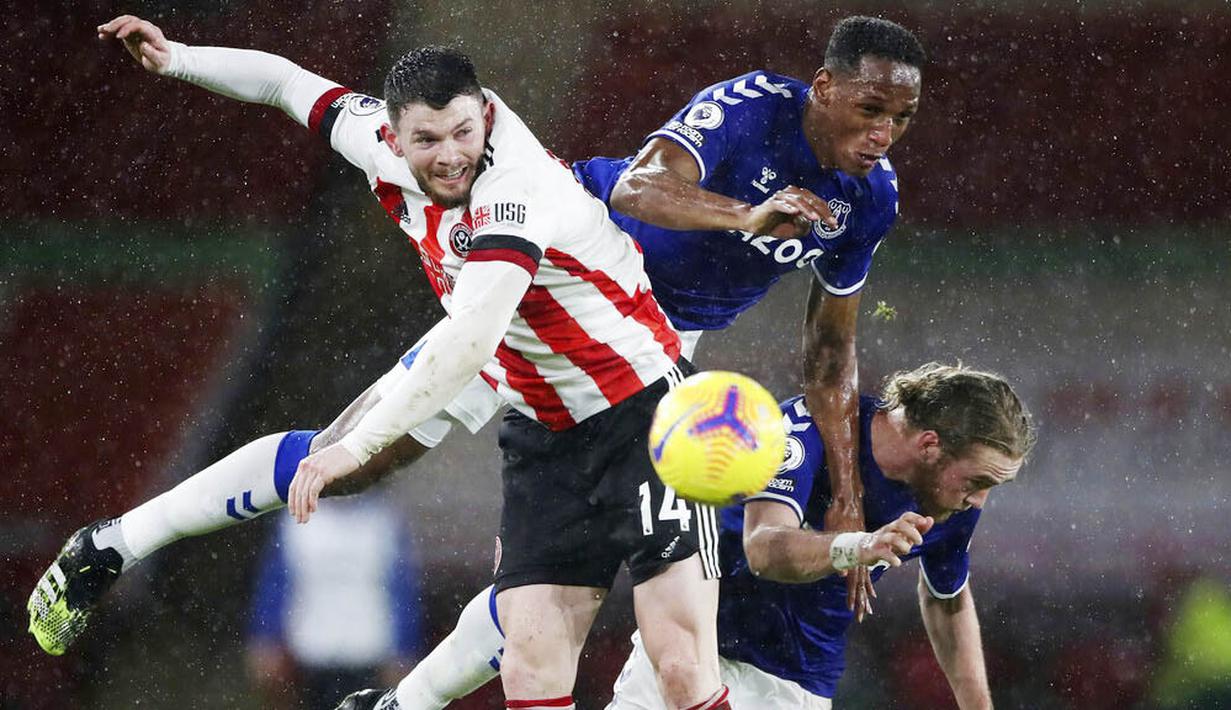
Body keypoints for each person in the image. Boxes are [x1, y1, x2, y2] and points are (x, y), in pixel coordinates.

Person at [30, 13, 924, 703]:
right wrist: (178, 57)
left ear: (486, 116)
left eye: (901, 117)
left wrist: (846, 489)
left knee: (583, 612)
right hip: (539, 327)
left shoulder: (518, 191)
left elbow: (827, 348)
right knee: (353, 466)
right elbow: (290, 84)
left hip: (629, 358)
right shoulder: (749, 108)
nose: (451, 156)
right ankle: (111, 543)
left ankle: (401, 701)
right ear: (395, 136)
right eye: (427, 141)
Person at [604, 362, 1035, 709]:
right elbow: (763, 548)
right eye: (979, 481)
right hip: (689, 647)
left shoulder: (952, 502)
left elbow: (947, 598)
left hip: (791, 686)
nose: (979, 500)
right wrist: (859, 545)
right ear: (929, 445)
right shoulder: (811, 428)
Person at [246, 497, 423, 710]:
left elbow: (402, 590)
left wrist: (404, 649)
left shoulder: (383, 519)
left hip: (369, 653)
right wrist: (267, 639)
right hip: (310, 655)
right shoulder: (295, 520)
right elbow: (276, 585)